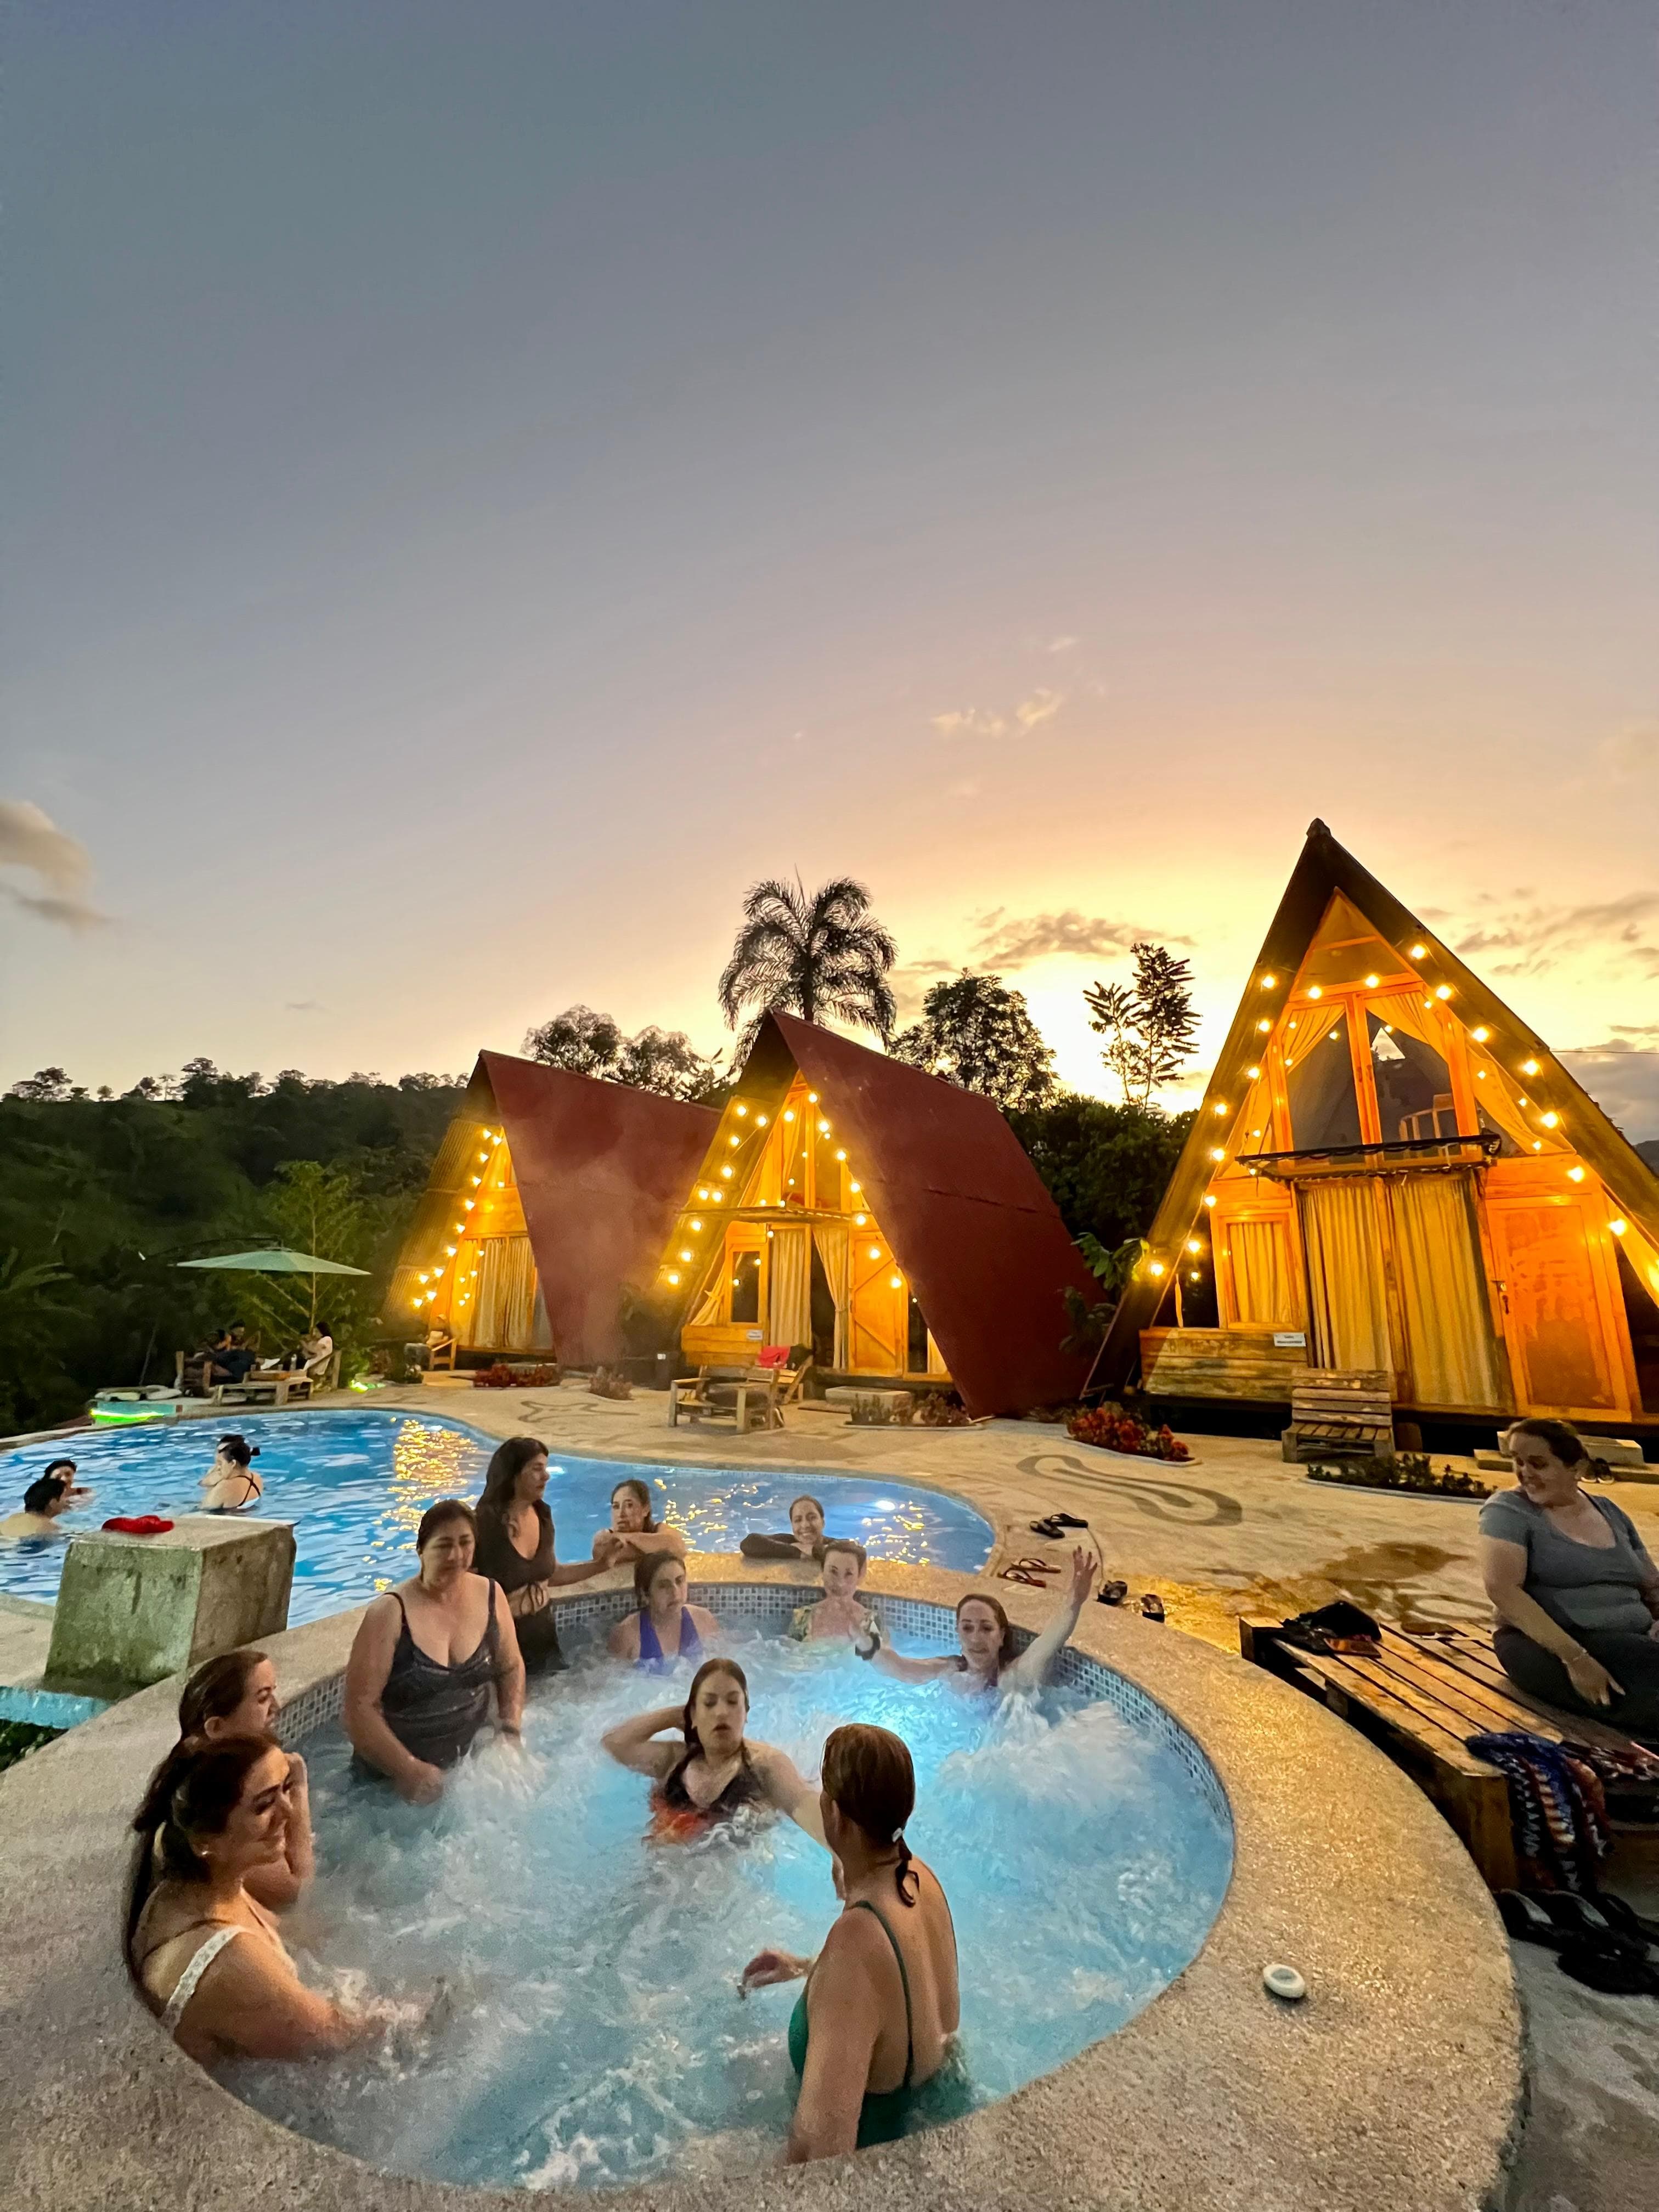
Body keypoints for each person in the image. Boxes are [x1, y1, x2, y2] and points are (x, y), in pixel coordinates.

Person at [740, 1723, 961, 2160]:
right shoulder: (919, 1877)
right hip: (939, 2117)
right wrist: (809, 1967)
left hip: (883, 2162)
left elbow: (818, 2156)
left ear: (835, 1814)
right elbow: (898, 1990)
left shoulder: (854, 1947)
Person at [127, 1734, 411, 2062]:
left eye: (285, 1789)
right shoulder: (229, 1964)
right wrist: (439, 2012)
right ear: (206, 1840)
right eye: (264, 1805)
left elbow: (294, 1932)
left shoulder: (201, 1887)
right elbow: (340, 2041)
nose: (289, 1811)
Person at [1480, 1417, 1659, 1740]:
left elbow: (1651, 1583)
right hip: (1550, 1644)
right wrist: (1577, 1659)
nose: (1525, 1473)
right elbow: (1503, 1590)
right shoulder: (1509, 1510)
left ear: (1576, 1468)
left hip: (1634, 1641)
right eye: (1518, 1462)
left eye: (1538, 1464)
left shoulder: (1608, 1511)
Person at [345, 1499, 525, 1800]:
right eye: (444, 1545)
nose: (456, 1556)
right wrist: (407, 1768)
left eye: (465, 1543)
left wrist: (510, 1727)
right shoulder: (390, 1613)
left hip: (467, 1775)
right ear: (421, 1551)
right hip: (388, 1787)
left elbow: (511, 1667)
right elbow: (358, 1709)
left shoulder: (491, 1595)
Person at [601, 1657, 825, 1843]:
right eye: (709, 1704)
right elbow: (617, 1744)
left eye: (733, 1702)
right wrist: (673, 1716)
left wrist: (838, 1848)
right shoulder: (674, 1760)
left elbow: (802, 1802)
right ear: (693, 1715)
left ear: (746, 1712)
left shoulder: (765, 1765)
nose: (721, 1713)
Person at [174, 1649, 313, 1909]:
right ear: (216, 1728)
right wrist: (299, 1790)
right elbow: (295, 1892)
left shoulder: (217, 1777)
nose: (276, 1708)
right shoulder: (220, 1797)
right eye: (263, 1699)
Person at [471, 1436, 622, 1673]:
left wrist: (602, 1564)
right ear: (514, 1474)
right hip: (498, 1647)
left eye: (545, 1468)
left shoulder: (542, 1515)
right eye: (537, 1469)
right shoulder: (483, 1524)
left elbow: (552, 1574)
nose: (546, 1476)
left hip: (542, 1639)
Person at [867, 1550, 1099, 1693]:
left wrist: (1074, 1601)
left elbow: (1050, 1641)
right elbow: (898, 1668)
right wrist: (867, 1629)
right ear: (958, 1632)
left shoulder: (1013, 1678)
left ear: (1001, 1636)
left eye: (987, 1628)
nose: (976, 1638)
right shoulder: (949, 1669)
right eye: (967, 1628)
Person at [608, 1551, 720, 1668]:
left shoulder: (703, 1620)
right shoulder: (627, 1636)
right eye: (663, 1586)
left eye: (679, 1581)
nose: (675, 1593)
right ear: (645, 1594)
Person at [788, 1539, 877, 1644]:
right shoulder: (803, 1619)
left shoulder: (870, 1622)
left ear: (860, 1575)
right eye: (833, 1572)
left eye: (849, 1574)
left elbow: (883, 1652)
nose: (840, 1583)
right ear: (822, 1571)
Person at [595, 1476, 687, 1563]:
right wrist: (656, 1548)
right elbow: (606, 1553)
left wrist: (625, 1536)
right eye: (616, 1507)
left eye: (629, 1505)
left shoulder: (658, 1528)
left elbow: (678, 1548)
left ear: (645, 1510)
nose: (621, 1514)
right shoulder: (605, 1537)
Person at [0, 1460, 93, 1539]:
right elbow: (71, 1537)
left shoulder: (15, 1517)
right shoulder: (49, 1526)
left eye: (68, 1474)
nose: (65, 1502)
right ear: (53, 1502)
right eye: (63, 1498)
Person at [739, 1494, 827, 1562]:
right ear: (792, 1526)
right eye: (798, 1520)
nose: (805, 1525)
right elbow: (750, 1542)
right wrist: (796, 1552)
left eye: (812, 1518)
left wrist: (814, 1551)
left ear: (823, 1522)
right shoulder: (788, 1541)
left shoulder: (833, 1544)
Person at [199, 1434, 263, 1513]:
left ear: (233, 1463)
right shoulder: (257, 1478)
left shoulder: (225, 1487)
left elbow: (202, 1510)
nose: (218, 1467)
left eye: (220, 1463)